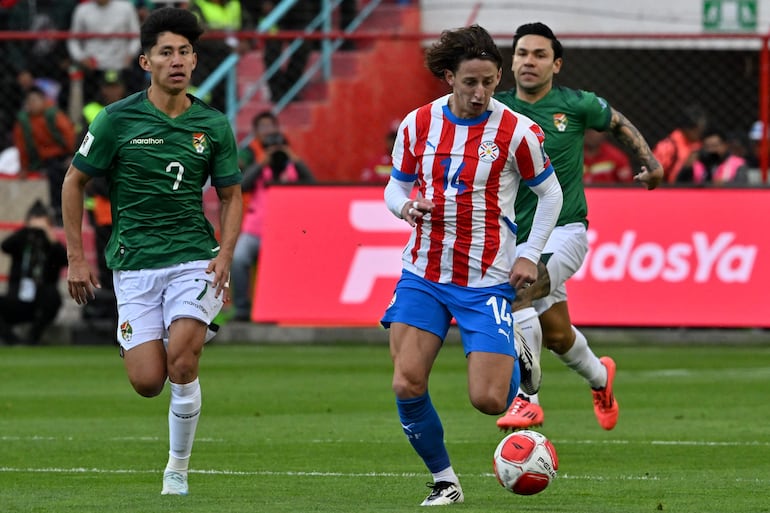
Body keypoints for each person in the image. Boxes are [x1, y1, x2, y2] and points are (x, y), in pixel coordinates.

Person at [61, 6, 242, 496]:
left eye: (185, 51)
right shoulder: (116, 121)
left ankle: (176, 471)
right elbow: (73, 182)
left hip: (193, 258)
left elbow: (230, 196)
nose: (177, 60)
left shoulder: (213, 124)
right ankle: (169, 327)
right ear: (146, 62)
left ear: (194, 60)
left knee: (183, 362)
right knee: (147, 381)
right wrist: (78, 258)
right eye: (166, 52)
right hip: (135, 264)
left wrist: (223, 255)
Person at [380, 25, 563, 506]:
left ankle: (519, 376)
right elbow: (394, 187)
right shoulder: (418, 125)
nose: (480, 93)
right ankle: (445, 481)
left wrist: (529, 253)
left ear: (498, 77)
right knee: (406, 380)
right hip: (423, 272)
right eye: (470, 83)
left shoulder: (517, 132)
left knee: (486, 399)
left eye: (488, 82)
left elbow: (550, 194)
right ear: (448, 78)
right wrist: (405, 208)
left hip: (486, 280)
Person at [494, 22, 663, 432]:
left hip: (565, 231)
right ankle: (601, 378)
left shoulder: (575, 104)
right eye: (521, 54)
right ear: (511, 61)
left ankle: (527, 398)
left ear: (557, 64)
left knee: (518, 292)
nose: (529, 61)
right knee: (556, 336)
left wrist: (651, 163)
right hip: (519, 237)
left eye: (538, 55)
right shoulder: (495, 109)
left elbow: (618, 122)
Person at [231, 119, 314, 321]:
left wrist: (293, 158)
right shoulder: (260, 170)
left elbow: (313, 185)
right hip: (255, 230)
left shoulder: (294, 171)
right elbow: (243, 186)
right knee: (238, 259)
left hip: (285, 233)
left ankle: (286, 306)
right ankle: (242, 308)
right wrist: (261, 163)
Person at [0, 199, 68, 345]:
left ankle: (33, 337)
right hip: (17, 297)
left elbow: (65, 259)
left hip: (42, 296)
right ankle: (11, 340)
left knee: (53, 297)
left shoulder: (50, 244)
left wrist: (49, 234)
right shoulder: (22, 239)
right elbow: (5, 246)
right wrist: (27, 229)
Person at [12, 86, 77, 225]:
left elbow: (69, 135)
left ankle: (60, 210)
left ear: (43, 100)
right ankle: (54, 211)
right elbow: (21, 146)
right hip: (39, 160)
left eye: (35, 100)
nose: (32, 104)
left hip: (60, 156)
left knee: (57, 174)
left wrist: (73, 154)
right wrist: (24, 167)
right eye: (29, 101)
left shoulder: (53, 115)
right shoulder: (23, 122)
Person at [66, 0, 142, 105]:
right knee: (90, 105)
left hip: (121, 64)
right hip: (94, 67)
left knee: (132, 100)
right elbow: (73, 40)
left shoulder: (126, 7)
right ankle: (91, 121)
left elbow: (136, 36)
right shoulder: (82, 10)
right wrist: (81, 58)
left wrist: (130, 54)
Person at [652, 104, 708, 184]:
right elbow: (654, 176)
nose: (700, 133)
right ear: (687, 128)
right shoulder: (667, 147)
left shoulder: (698, 144)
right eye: (697, 130)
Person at [678, 126, 750, 186]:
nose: (712, 150)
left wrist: (725, 184)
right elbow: (680, 184)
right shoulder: (697, 163)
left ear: (725, 145)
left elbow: (742, 186)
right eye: (707, 146)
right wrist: (686, 168)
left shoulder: (738, 164)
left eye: (715, 146)